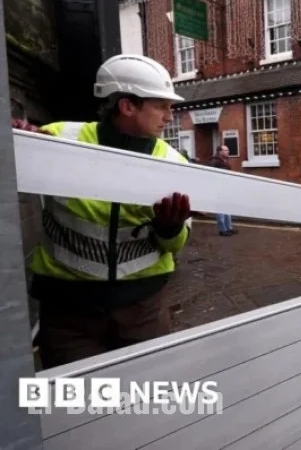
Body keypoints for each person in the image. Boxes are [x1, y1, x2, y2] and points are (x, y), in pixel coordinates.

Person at [12, 54, 193, 369]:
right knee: (79, 410)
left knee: (147, 401)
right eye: (161, 106)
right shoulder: (57, 140)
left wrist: (169, 230)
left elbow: (176, 244)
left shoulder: (174, 163)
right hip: (69, 313)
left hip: (143, 310)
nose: (169, 115)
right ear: (127, 106)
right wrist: (18, 147)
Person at [210, 144, 237, 236]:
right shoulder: (215, 162)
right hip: (218, 189)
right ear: (220, 152)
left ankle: (229, 228)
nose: (228, 152)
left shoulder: (226, 161)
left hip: (226, 188)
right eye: (226, 150)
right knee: (220, 210)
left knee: (227, 208)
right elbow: (212, 176)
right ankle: (222, 230)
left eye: (228, 150)